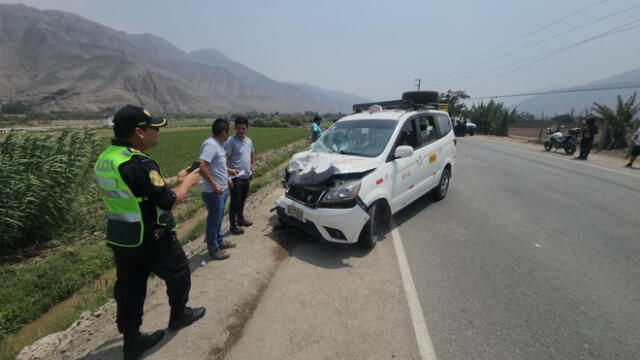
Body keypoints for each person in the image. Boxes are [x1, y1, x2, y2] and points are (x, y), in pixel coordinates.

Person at [94, 105, 205, 360]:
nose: (157, 133)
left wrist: (171, 180)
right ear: (138, 132)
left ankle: (132, 341)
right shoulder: (140, 162)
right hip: (150, 236)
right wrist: (188, 183)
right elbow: (167, 202)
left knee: (130, 289)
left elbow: (138, 190)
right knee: (178, 271)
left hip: (122, 237)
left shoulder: (108, 158)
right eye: (153, 128)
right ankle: (179, 315)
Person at [199, 118, 237, 260]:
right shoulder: (210, 145)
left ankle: (220, 241)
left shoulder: (218, 145)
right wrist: (215, 184)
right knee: (214, 220)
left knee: (219, 217)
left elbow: (217, 166)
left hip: (221, 189)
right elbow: (202, 166)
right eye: (228, 131)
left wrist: (228, 174)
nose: (229, 134)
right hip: (213, 191)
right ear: (223, 132)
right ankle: (213, 249)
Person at [224, 116, 256, 235]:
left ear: (247, 128)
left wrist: (251, 166)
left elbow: (252, 154)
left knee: (242, 199)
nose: (241, 131)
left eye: (243, 128)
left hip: (246, 176)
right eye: (238, 128)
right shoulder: (230, 141)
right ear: (235, 128)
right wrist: (228, 176)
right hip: (235, 177)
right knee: (234, 202)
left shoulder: (249, 141)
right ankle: (233, 226)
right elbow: (226, 159)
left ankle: (241, 219)